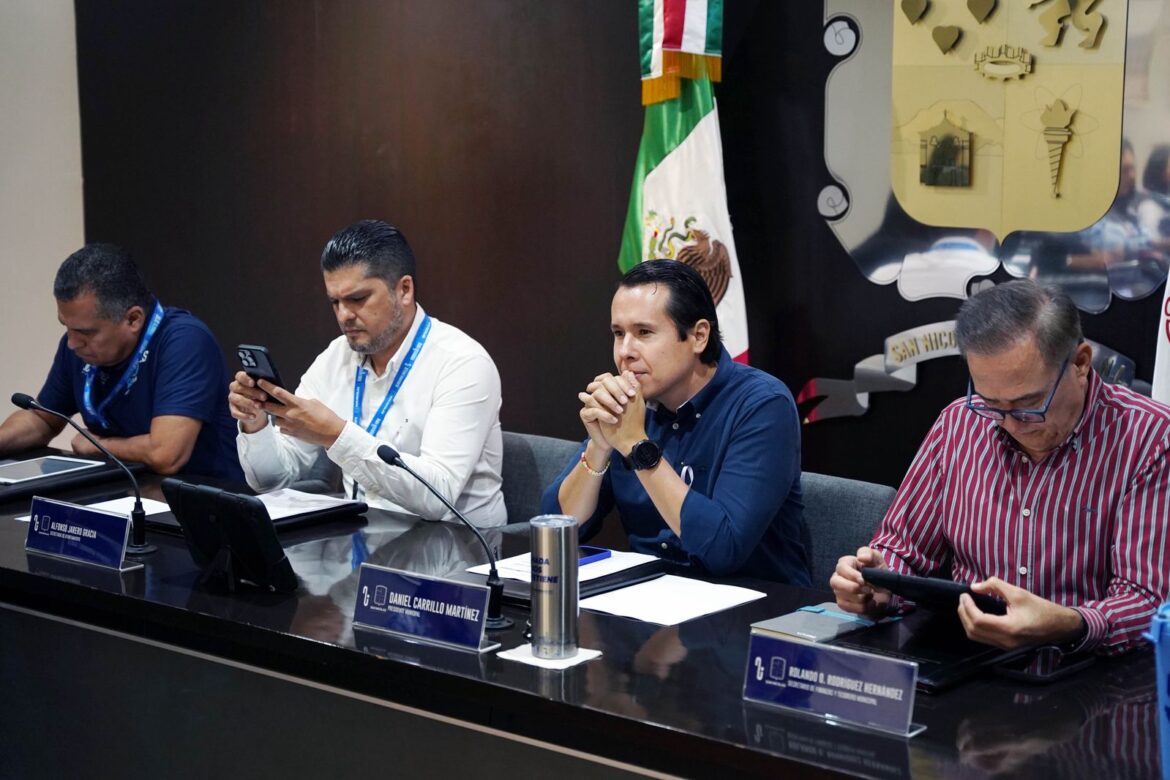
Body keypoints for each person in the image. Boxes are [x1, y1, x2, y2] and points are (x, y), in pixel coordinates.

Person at [831, 280, 1170, 654]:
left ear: (1080, 363)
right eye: (992, 403)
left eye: (1030, 404)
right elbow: (904, 549)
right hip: (966, 658)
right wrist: (878, 583)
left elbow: (1147, 604)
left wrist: (1067, 624)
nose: (1011, 424)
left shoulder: (1150, 438)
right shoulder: (960, 423)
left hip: (1091, 672)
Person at [540, 260, 810, 583]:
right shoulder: (629, 404)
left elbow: (723, 549)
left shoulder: (761, 405)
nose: (625, 352)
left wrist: (637, 445)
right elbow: (556, 529)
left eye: (644, 333)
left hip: (752, 601)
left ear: (698, 336)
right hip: (651, 595)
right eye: (618, 334)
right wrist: (599, 447)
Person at [230, 219, 505, 527]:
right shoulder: (337, 356)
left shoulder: (463, 363)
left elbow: (437, 498)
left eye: (358, 299)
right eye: (335, 302)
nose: (344, 315)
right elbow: (273, 480)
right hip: (364, 537)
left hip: (456, 543)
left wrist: (336, 435)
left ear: (404, 289)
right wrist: (255, 423)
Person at [0, 243, 243, 479]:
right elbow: (42, 419)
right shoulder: (76, 347)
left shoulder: (184, 341)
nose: (72, 343)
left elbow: (166, 455)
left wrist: (97, 444)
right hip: (123, 490)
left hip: (201, 494)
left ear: (133, 319)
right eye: (66, 327)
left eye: (86, 332)